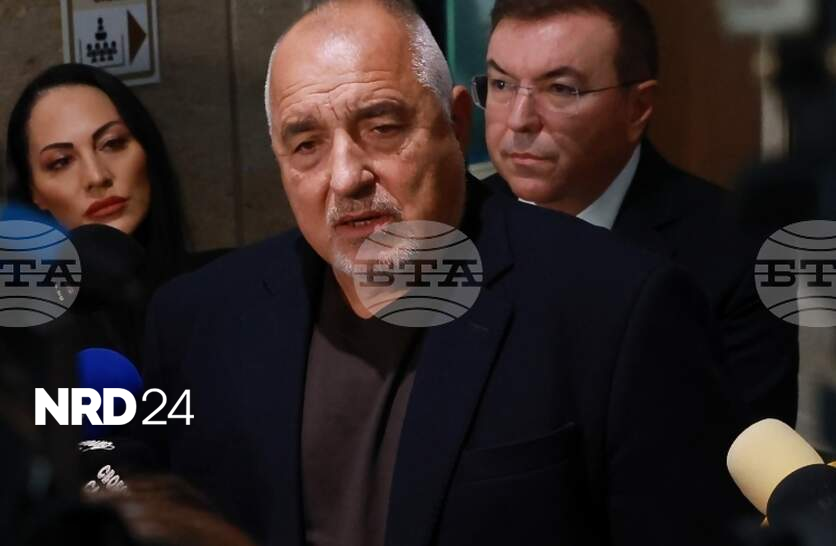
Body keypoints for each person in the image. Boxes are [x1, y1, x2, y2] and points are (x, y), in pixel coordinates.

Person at [140, 1, 754, 545]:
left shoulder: (615, 307)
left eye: (382, 128)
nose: (345, 177)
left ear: (457, 124)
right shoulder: (197, 321)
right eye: (307, 145)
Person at [477, 0, 798, 425]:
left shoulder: (742, 255)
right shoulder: (459, 224)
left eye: (561, 89)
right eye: (502, 84)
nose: (519, 121)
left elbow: (747, 452)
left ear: (638, 108)